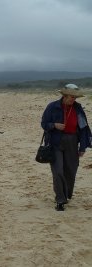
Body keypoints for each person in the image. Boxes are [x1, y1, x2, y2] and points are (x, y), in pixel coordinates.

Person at [41, 83, 92, 211]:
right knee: (58, 171)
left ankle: (66, 194)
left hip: (73, 141)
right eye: (71, 97)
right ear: (64, 95)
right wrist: (54, 125)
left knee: (71, 170)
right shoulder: (52, 107)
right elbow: (44, 123)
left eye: (74, 98)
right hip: (55, 142)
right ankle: (60, 200)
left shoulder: (78, 108)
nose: (73, 100)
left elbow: (84, 127)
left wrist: (82, 147)